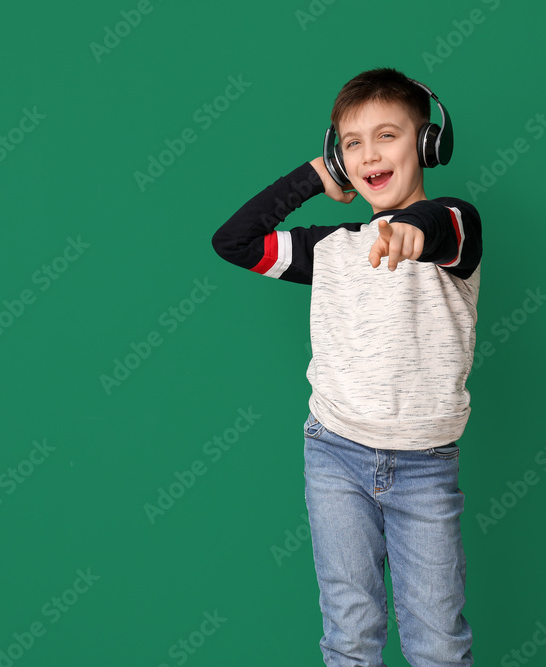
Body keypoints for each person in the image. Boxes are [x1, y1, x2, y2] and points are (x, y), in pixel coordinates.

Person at [211, 67, 482, 667]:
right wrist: (314, 176)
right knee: (351, 634)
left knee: (437, 642)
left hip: (424, 464)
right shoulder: (329, 249)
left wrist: (412, 227)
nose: (369, 154)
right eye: (352, 143)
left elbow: (441, 223)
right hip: (334, 453)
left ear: (428, 144)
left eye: (387, 136)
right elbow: (234, 240)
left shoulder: (455, 229)